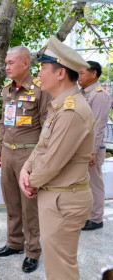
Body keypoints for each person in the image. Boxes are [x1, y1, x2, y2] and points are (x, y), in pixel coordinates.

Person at [19, 35, 95, 280]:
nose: (38, 74)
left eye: (42, 68)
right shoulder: (59, 106)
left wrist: (31, 180)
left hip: (64, 200)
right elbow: (42, 146)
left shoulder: (72, 110)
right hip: (56, 196)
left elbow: (52, 161)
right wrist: (26, 169)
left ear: (60, 73)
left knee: (61, 270)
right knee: (56, 266)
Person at [0, 46, 51, 273]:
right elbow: (3, 123)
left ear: (26, 63)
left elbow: (47, 127)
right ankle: (14, 243)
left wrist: (39, 159)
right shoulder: (7, 90)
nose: (6, 67)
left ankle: (32, 251)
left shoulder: (40, 89)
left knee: (30, 207)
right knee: (12, 203)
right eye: (6, 63)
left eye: (11, 63)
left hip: (29, 155)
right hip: (8, 153)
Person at [78, 61, 112, 231]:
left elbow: (98, 126)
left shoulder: (99, 95)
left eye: (82, 73)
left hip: (92, 149)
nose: (78, 77)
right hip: (81, 147)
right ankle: (87, 215)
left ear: (94, 74)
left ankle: (96, 218)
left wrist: (92, 151)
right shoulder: (83, 94)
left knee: (94, 183)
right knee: (84, 183)